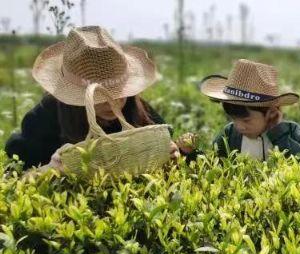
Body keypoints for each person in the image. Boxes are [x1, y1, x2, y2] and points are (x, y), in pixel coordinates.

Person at [4, 26, 176, 171]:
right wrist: (49, 169)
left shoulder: (135, 107)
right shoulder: (47, 116)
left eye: (118, 92)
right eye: (99, 95)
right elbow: (15, 172)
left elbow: (170, 143)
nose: (113, 102)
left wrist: (176, 152)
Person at [178, 59, 300, 161]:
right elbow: (213, 166)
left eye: (246, 120)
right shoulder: (229, 135)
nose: (239, 126)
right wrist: (190, 153)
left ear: (270, 113)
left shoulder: (291, 133)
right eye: (233, 119)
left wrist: (277, 132)